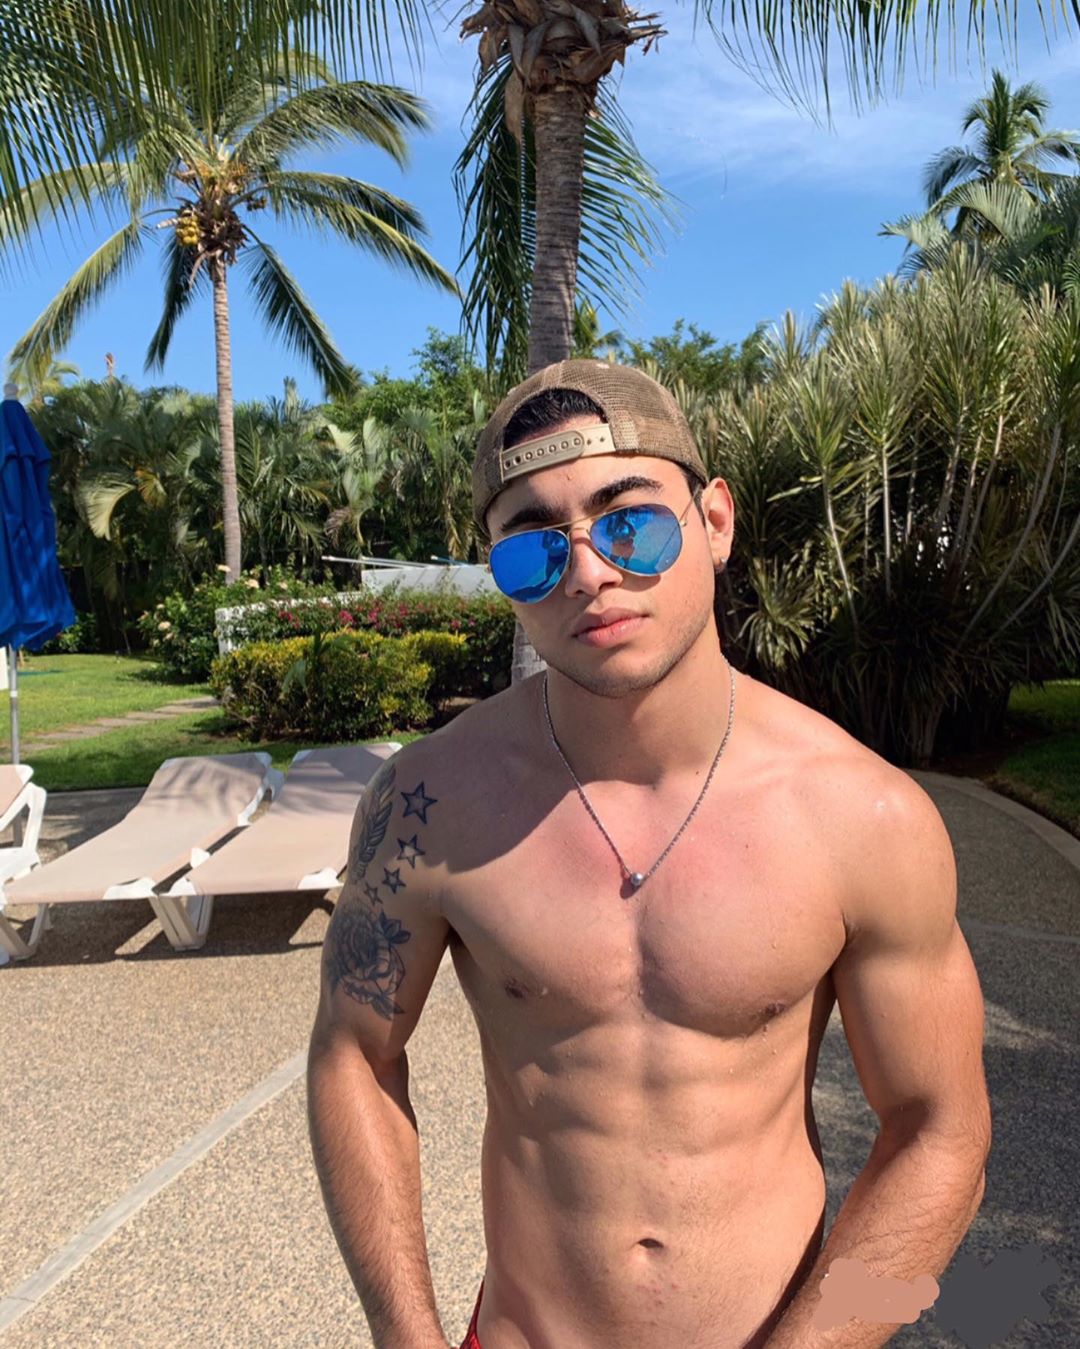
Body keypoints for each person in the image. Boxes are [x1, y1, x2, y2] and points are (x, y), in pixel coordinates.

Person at [307, 360, 992, 1349]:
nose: (589, 573)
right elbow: (353, 1053)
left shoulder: (862, 814)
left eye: (631, 523)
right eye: (534, 548)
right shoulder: (431, 803)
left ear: (714, 521)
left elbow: (944, 1135)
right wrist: (402, 1336)